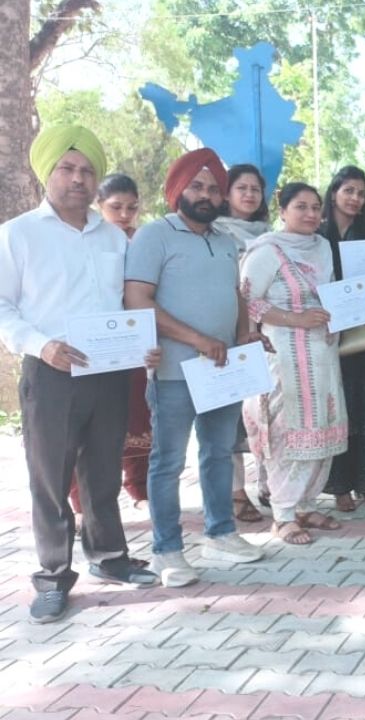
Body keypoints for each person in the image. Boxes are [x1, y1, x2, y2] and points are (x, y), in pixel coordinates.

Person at [0, 125, 160, 621]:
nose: (78, 178)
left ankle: (109, 556)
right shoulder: (18, 234)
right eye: (67, 168)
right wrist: (41, 345)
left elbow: (127, 303)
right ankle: (52, 575)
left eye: (87, 170)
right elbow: (3, 305)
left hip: (110, 371)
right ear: (47, 172)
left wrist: (143, 344)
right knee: (50, 476)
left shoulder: (113, 236)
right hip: (51, 372)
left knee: (103, 469)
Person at [125, 148, 265, 588]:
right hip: (174, 372)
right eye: (197, 186)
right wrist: (198, 340)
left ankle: (220, 533)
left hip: (223, 370)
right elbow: (137, 300)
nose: (206, 195)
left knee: (219, 452)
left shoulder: (224, 241)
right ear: (178, 189)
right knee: (168, 462)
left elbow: (235, 294)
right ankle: (167, 550)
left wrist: (244, 335)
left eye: (213, 189)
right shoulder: (154, 235)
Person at [239, 182, 347, 545]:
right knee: (288, 433)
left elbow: (330, 292)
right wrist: (294, 319)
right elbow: (246, 300)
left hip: (323, 354)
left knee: (321, 429)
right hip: (285, 355)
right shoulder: (267, 250)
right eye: (301, 207)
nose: (311, 214)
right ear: (282, 210)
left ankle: (306, 505)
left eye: (316, 207)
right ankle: (282, 515)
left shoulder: (322, 247)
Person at [66, 174, 149, 516]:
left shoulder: (143, 242)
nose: (124, 215)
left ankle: (139, 489)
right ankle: (81, 503)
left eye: (132, 207)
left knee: (138, 415)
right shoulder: (84, 239)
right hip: (87, 344)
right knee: (83, 427)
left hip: (133, 343)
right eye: (116, 207)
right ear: (99, 205)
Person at [318, 166, 365, 511]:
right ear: (334, 193)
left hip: (363, 336)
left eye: (361, 193)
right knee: (336, 411)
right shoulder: (316, 235)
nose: (355, 198)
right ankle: (340, 488)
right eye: (349, 191)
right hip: (324, 332)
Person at [214, 163, 272, 523]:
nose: (249, 194)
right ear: (227, 193)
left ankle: (270, 485)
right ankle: (236, 493)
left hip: (263, 334)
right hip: (224, 332)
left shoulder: (270, 236)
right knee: (228, 417)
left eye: (255, 189)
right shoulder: (214, 232)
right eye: (242, 188)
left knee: (264, 413)